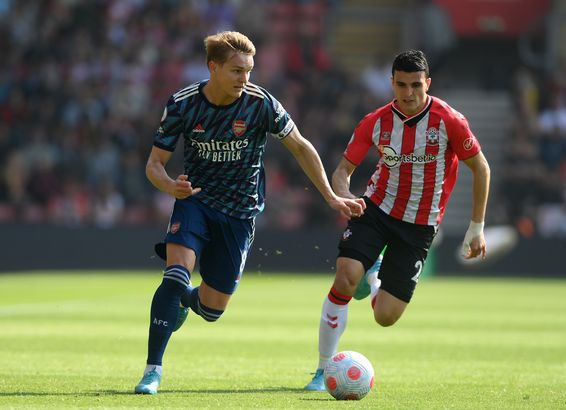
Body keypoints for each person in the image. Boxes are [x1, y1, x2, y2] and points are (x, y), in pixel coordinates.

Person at [134, 31, 365, 395]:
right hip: (195, 201)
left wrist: (331, 196)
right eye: (237, 70)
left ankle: (187, 301)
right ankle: (152, 371)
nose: (245, 79)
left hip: (240, 213)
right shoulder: (182, 104)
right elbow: (154, 164)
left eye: (249, 71)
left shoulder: (261, 104)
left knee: (212, 310)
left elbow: (301, 147)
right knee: (176, 274)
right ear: (213, 67)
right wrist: (169, 186)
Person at [304, 50, 491, 390]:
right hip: (375, 210)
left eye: (416, 85)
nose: (408, 93)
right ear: (392, 83)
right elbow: (343, 170)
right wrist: (344, 195)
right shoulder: (375, 121)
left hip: (420, 226)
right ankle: (321, 370)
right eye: (401, 85)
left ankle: (375, 274)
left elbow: (481, 168)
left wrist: (476, 227)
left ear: (428, 83)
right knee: (345, 278)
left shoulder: (449, 120)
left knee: (385, 317)